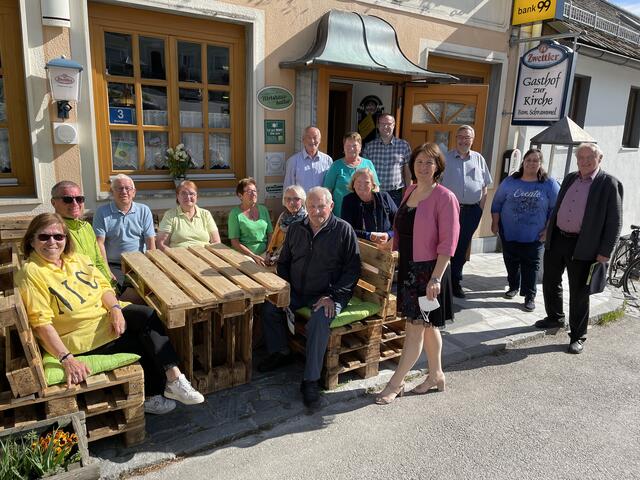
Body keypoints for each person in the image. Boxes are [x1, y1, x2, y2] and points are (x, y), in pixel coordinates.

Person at [15, 213, 205, 415]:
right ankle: (154, 394)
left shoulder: (75, 259)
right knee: (143, 341)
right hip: (82, 338)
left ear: (66, 239)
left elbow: (104, 287)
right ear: (31, 241)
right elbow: (41, 323)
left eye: (58, 237)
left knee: (147, 315)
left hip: (104, 319)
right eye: (44, 237)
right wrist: (67, 359)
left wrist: (115, 309)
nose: (52, 242)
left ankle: (174, 379)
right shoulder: (32, 272)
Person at [257, 187, 360, 408]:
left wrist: (333, 296)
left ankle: (310, 380)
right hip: (298, 291)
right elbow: (284, 262)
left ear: (331, 206)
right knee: (269, 307)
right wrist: (284, 288)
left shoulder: (343, 231)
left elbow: (352, 270)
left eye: (321, 206)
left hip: (328, 295)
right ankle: (281, 351)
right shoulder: (296, 229)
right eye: (311, 206)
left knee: (319, 322)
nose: (316, 211)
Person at [375, 143, 459, 405]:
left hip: (429, 273)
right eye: (419, 162)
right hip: (410, 269)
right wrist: (391, 244)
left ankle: (395, 383)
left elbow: (448, 243)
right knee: (428, 326)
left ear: (438, 167)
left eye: (429, 163)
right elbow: (402, 227)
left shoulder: (445, 197)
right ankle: (436, 375)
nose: (423, 167)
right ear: (412, 165)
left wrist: (435, 278)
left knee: (414, 329)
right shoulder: (410, 190)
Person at [535, 143, 623, 354]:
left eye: (589, 157)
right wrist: (549, 230)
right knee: (550, 280)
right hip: (558, 239)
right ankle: (554, 317)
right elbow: (558, 208)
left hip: (585, 245)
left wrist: (605, 252)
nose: (584, 161)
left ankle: (577, 335)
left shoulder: (609, 183)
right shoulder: (570, 178)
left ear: (599, 159)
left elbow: (614, 222)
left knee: (579, 291)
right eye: (581, 157)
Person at [490, 149, 560, 312]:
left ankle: (530, 296)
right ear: (523, 162)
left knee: (532, 265)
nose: (531, 163)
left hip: (535, 235)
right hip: (509, 232)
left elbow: (555, 209)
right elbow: (497, 204)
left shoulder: (549, 184)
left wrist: (548, 229)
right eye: (528, 160)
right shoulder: (510, 181)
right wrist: (495, 223)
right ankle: (513, 286)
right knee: (511, 262)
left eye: (536, 160)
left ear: (541, 164)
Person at [441, 125, 492, 298]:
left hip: (472, 211)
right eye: (460, 137)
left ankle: (456, 281)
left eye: (467, 137)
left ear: (472, 139)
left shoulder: (479, 159)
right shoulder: (445, 158)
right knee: (448, 246)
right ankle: (443, 280)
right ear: (456, 139)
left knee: (462, 247)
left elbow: (485, 185)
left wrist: (480, 208)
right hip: (450, 211)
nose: (463, 140)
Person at [93, 174, 156, 293]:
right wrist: (106, 269)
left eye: (128, 188)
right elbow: (99, 243)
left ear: (134, 192)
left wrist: (152, 265)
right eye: (119, 188)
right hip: (114, 264)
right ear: (112, 191)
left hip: (139, 262)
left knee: (154, 290)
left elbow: (150, 241)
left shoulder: (144, 210)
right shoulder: (102, 212)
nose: (124, 192)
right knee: (118, 290)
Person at [50, 181, 112, 282]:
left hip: (98, 284)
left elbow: (98, 260)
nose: (75, 204)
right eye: (67, 199)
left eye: (79, 199)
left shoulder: (86, 227)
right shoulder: (52, 232)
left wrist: (109, 284)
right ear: (53, 203)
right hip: (75, 289)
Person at [323, 132, 380, 217]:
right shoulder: (336, 165)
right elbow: (327, 191)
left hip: (364, 214)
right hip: (341, 214)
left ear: (360, 147)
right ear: (344, 148)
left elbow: (376, 188)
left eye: (354, 145)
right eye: (348, 146)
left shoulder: (368, 164)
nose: (351, 148)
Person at [362, 113, 412, 207]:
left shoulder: (403, 146)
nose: (385, 126)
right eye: (382, 124)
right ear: (378, 125)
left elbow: (408, 173)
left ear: (394, 125)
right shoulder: (369, 147)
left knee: (394, 220)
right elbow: (365, 172)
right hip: (374, 192)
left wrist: (408, 192)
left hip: (395, 195)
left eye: (389, 124)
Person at [157, 180, 221, 250]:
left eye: (191, 193)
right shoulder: (170, 215)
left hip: (205, 254)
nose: (188, 197)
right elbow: (162, 244)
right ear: (177, 196)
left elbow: (216, 242)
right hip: (180, 256)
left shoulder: (206, 214)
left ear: (196, 196)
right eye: (183, 193)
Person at [341, 168, 397, 245]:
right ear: (353, 184)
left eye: (367, 182)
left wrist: (388, 235)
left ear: (373, 184)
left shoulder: (384, 197)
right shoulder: (348, 201)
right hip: (360, 246)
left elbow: (399, 222)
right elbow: (346, 228)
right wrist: (369, 236)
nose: (362, 185)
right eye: (358, 182)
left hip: (386, 245)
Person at [228, 178, 273, 266]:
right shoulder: (235, 214)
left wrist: (268, 252)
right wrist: (252, 255)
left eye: (255, 191)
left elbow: (270, 234)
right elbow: (235, 242)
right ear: (240, 196)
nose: (253, 194)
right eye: (249, 191)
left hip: (265, 253)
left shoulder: (263, 210)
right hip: (245, 256)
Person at [265, 185, 307, 265]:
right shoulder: (283, 216)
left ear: (302, 201)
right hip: (275, 257)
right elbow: (274, 239)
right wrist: (268, 253)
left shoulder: (306, 219)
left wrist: (276, 258)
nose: (291, 202)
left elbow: (299, 249)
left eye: (296, 199)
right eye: (288, 199)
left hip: (293, 262)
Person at [283, 126, 333, 192]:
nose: (312, 141)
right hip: (302, 202)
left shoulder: (328, 160)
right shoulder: (293, 161)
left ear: (320, 140)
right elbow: (288, 187)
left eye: (315, 137)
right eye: (309, 137)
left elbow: (330, 186)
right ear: (303, 140)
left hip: (320, 201)